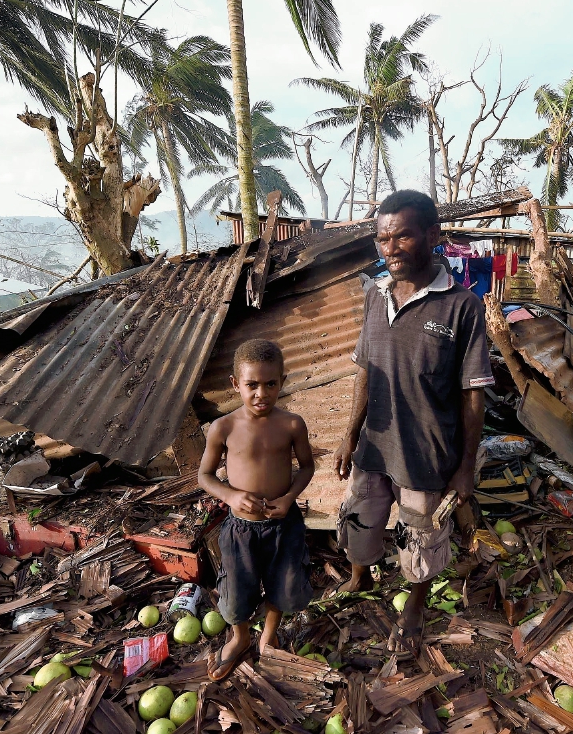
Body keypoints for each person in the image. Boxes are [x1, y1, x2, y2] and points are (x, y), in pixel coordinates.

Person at [334, 189, 493, 655]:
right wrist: (348, 435)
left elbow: (472, 395)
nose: (391, 249)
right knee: (360, 521)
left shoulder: (461, 306)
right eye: (383, 239)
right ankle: (359, 577)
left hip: (426, 451)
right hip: (375, 446)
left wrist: (465, 466)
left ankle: (415, 607)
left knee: (419, 540)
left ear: (432, 235)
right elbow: (366, 368)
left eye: (402, 237)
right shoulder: (373, 294)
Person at [198, 339, 316, 681]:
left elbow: (306, 468)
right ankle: (240, 636)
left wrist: (290, 496)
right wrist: (232, 497)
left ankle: (268, 634)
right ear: (236, 384)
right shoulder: (224, 428)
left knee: (287, 585)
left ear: (282, 381)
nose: (261, 393)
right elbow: (204, 475)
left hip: (284, 525)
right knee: (235, 593)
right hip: (240, 529)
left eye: (270, 384)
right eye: (251, 385)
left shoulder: (292, 424)